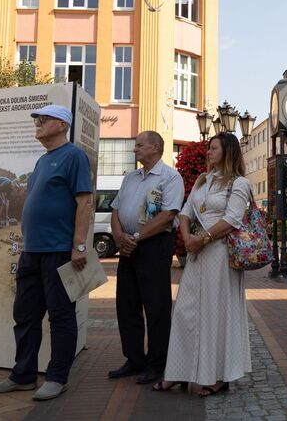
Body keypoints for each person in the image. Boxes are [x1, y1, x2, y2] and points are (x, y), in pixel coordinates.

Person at [0, 104, 92, 401]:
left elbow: (84, 202)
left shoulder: (74, 156)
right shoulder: (43, 161)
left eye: (43, 119)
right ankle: (23, 375)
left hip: (58, 250)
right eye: (36, 119)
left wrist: (79, 245)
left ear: (62, 124)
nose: (38, 123)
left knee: (60, 316)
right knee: (26, 315)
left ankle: (57, 377)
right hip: (31, 251)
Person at [153, 132, 251, 396]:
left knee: (215, 315)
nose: (208, 152)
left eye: (214, 148)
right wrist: (187, 238)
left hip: (220, 255)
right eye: (208, 148)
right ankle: (178, 372)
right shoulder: (202, 180)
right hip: (196, 253)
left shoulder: (239, 183)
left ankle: (218, 376)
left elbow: (232, 219)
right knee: (185, 310)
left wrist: (203, 239)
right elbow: (185, 212)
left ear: (228, 151)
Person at [107, 131, 184, 385]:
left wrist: (135, 237)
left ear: (155, 147)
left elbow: (167, 215)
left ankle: (157, 364)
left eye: (139, 145)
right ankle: (134, 359)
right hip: (128, 246)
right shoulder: (130, 178)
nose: (134, 149)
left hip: (154, 246)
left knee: (156, 306)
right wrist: (119, 237)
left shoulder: (170, 177)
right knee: (126, 304)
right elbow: (116, 209)